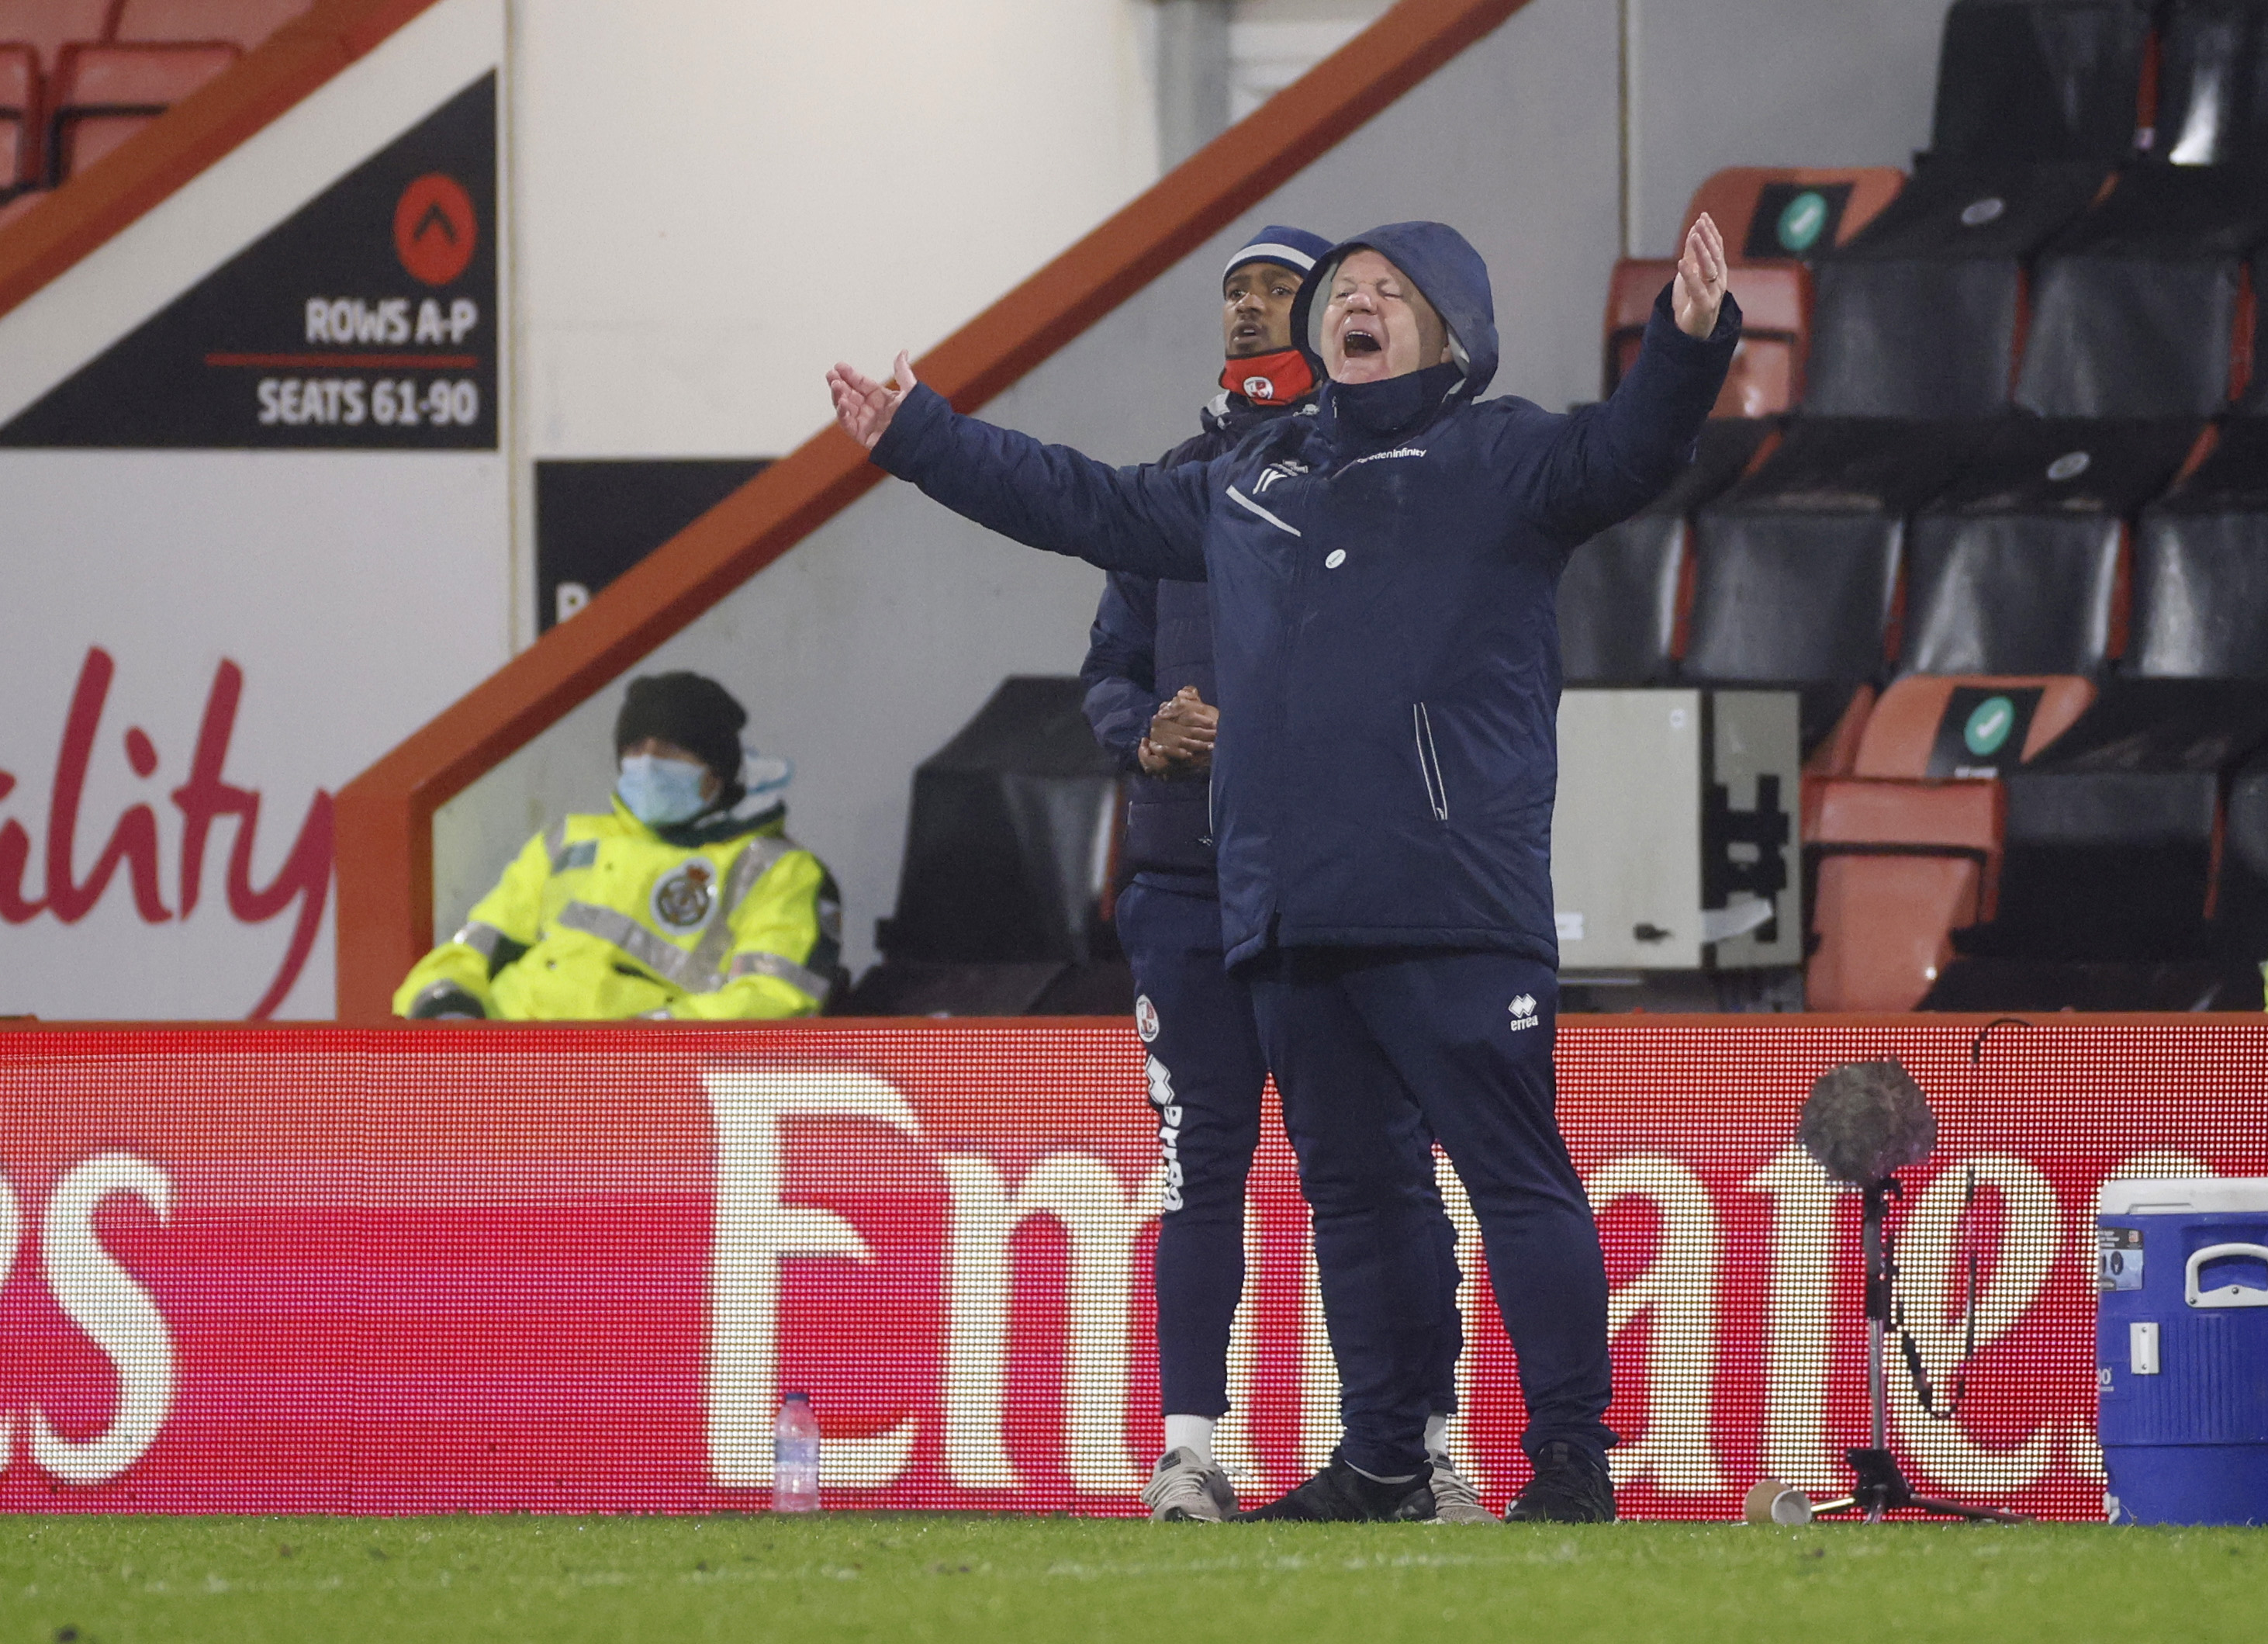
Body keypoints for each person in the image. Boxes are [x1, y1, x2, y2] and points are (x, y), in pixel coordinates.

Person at [829, 215, 1737, 1521]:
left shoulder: (1505, 454)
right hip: (1289, 909)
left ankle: (1568, 1462)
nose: (1350, 303)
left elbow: (1637, 441)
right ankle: (1382, 1458)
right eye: (1340, 291)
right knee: (1354, 1196)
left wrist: (1686, 336)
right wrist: (920, 434)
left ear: (1451, 333)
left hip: (1449, 902)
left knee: (1509, 1177)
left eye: (1384, 290)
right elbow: (1074, 497)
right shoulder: (1245, 476)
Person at [1085, 227, 1485, 1524]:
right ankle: (1189, 1449)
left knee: (1376, 1172)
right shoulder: (1174, 489)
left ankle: (1422, 1448)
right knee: (1202, 1166)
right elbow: (1103, 673)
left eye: (1278, 292)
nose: (1252, 311)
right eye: (1235, 295)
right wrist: (1144, 734)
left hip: (1332, 893)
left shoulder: (1388, 481)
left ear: (1326, 323)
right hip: (1187, 884)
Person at [394, 671, 840, 1022]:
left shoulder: (777, 870)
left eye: (671, 751)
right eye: (635, 748)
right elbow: (475, 946)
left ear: (716, 771)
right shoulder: (569, 839)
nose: (648, 762)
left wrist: (635, 1047)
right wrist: (446, 1005)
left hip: (649, 1089)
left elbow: (775, 1000)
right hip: (504, 1063)